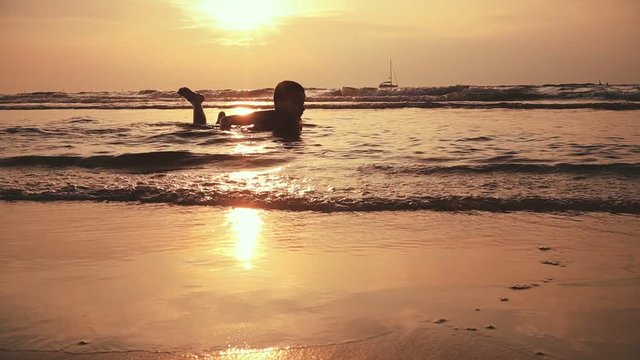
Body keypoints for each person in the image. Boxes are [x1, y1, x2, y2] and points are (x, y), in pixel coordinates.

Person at [178, 80, 305, 139]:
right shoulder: (269, 117)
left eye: (303, 102)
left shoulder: (295, 121)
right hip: (231, 129)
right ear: (279, 103)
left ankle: (199, 105)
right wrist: (223, 137)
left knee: (206, 126)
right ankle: (196, 102)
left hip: (238, 129)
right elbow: (227, 121)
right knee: (199, 128)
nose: (302, 107)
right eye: (297, 103)